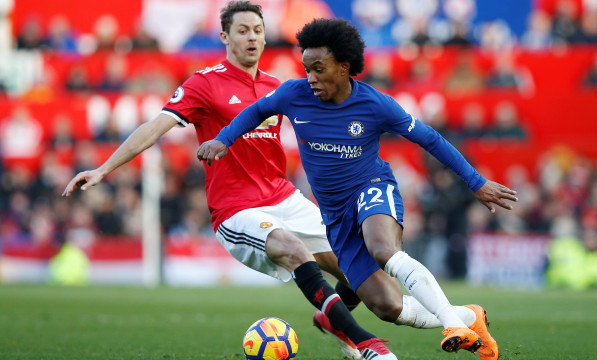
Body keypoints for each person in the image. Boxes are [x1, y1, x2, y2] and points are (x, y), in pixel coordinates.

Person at [62, 3, 391, 359]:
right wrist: (102, 169)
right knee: (293, 249)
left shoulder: (275, 87)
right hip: (237, 209)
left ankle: (334, 320)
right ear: (224, 36)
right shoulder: (204, 83)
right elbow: (155, 127)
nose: (252, 37)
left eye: (258, 30)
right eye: (243, 30)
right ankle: (365, 343)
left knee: (357, 268)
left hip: (284, 197)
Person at [198, 18, 519, 360]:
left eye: (318, 69)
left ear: (344, 67)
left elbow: (429, 139)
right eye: (306, 69)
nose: (311, 78)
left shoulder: (374, 104)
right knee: (386, 307)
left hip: (371, 188)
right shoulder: (294, 95)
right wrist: (223, 139)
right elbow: (258, 110)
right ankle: (470, 316)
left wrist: (477, 182)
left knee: (383, 248)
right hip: (336, 218)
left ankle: (452, 326)